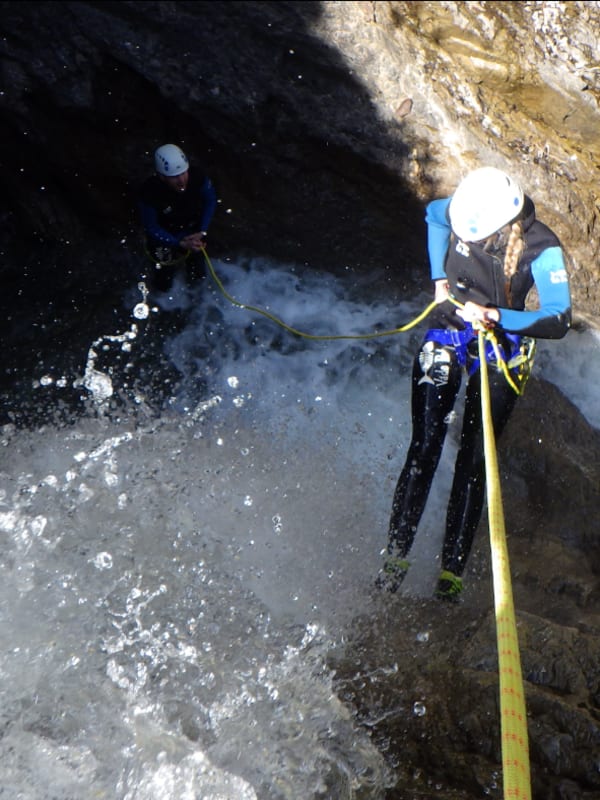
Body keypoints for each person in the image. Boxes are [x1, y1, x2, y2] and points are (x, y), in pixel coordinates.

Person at [378, 166, 572, 601]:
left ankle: (450, 576)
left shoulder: (542, 247)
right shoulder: (463, 207)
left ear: (505, 223)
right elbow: (433, 214)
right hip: (451, 324)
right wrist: (438, 280)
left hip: (503, 343)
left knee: (474, 457)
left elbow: (559, 318)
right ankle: (394, 559)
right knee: (425, 444)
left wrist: (499, 317)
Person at [138, 143, 217, 291]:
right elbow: (151, 226)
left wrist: (202, 230)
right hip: (165, 237)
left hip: (192, 232)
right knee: (164, 278)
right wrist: (177, 243)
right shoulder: (150, 193)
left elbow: (210, 200)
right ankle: (163, 297)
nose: (181, 180)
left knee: (198, 273)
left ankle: (196, 295)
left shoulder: (197, 178)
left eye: (183, 173)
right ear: (161, 176)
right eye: (174, 177)